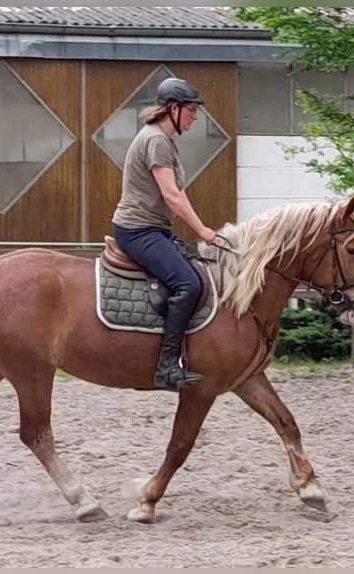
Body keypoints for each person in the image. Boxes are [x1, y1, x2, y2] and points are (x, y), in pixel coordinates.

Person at [111, 76, 219, 391]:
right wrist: (202, 230)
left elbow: (174, 195)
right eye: (190, 110)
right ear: (173, 109)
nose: (194, 117)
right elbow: (172, 195)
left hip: (153, 228)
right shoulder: (156, 141)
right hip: (138, 229)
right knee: (188, 283)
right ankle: (168, 366)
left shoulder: (163, 140)